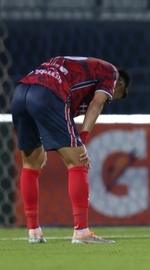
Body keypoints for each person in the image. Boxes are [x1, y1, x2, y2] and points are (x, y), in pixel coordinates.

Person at [11, 56, 130, 244]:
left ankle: (34, 232)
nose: (110, 98)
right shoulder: (111, 73)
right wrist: (82, 139)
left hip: (20, 92)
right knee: (79, 161)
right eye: (116, 94)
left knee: (31, 163)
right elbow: (96, 104)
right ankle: (82, 233)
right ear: (120, 83)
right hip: (49, 91)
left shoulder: (83, 81)